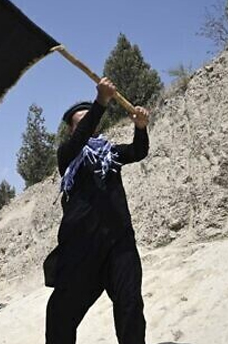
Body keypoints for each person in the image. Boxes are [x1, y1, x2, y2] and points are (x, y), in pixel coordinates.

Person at [44, 78, 150, 344]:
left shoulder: (110, 155)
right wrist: (101, 101)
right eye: (81, 123)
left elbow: (138, 151)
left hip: (119, 244)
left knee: (130, 305)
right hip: (81, 249)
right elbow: (81, 137)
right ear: (71, 131)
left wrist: (140, 128)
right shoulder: (66, 155)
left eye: (90, 120)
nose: (87, 125)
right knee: (60, 313)